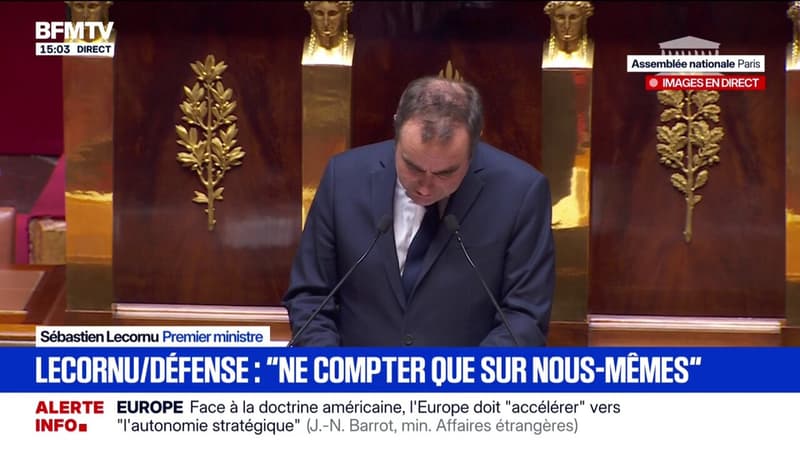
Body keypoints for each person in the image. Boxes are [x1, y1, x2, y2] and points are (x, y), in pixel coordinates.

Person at [283, 76, 555, 346]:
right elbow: (310, 296)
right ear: (396, 129)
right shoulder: (343, 178)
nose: (425, 187)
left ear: (474, 146)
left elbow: (524, 316)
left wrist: (469, 373)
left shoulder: (520, 193)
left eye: (445, 173)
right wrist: (331, 366)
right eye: (412, 167)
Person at [542, 1, 594, 68]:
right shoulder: (542, 51)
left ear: (584, 19)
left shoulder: (596, 52)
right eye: (560, 17)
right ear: (552, 18)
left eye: (573, 17)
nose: (567, 26)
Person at [302, 1, 354, 65]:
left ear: (344, 15)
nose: (326, 23)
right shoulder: (301, 48)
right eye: (319, 13)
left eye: (332, 14)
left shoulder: (353, 49)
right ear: (311, 14)